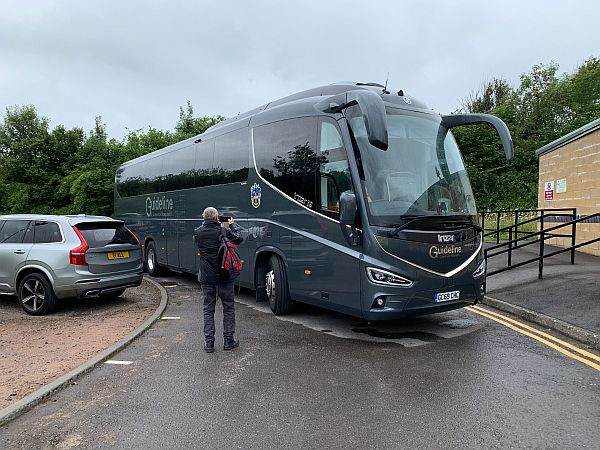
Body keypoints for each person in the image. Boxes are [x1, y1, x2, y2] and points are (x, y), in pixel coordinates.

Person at [194, 207, 243, 353]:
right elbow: (239, 238)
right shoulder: (223, 231)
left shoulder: (197, 233)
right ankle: (228, 340)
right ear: (216, 218)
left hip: (207, 277)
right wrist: (232, 224)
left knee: (208, 309)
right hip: (224, 276)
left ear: (204, 218)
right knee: (228, 307)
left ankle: (209, 343)